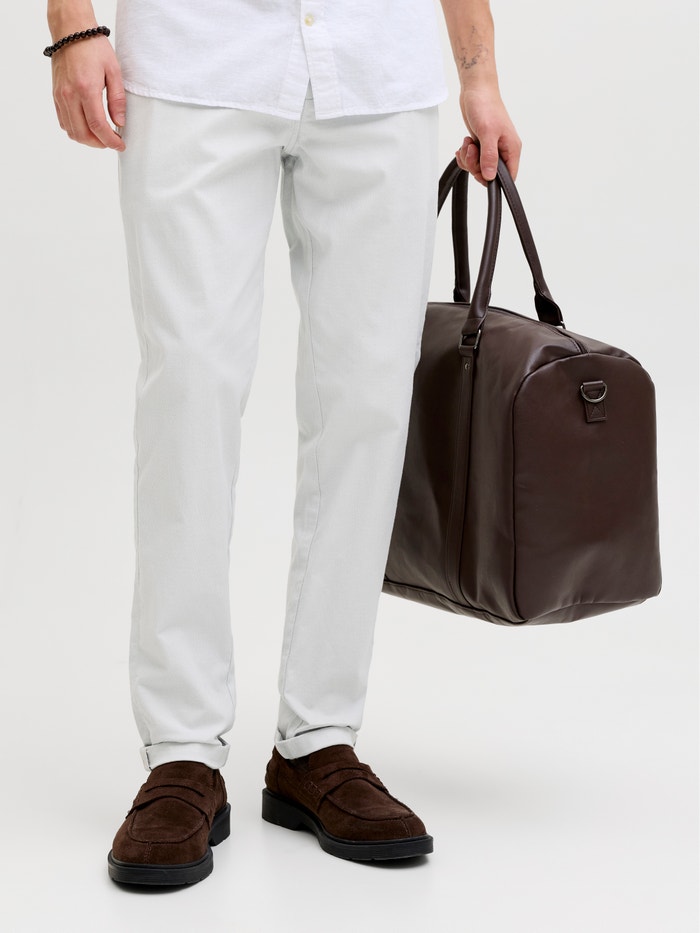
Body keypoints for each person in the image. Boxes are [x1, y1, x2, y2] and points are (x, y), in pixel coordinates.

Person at [47, 0, 521, 885]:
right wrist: (74, 27)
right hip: (194, 58)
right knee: (189, 388)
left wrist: (479, 74)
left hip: (377, 69)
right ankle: (181, 748)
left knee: (368, 400)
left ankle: (318, 738)